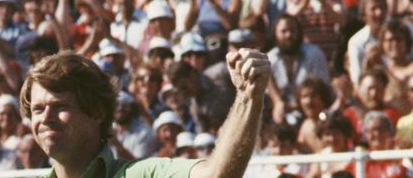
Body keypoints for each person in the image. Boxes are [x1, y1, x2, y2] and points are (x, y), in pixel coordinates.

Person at [20, 50, 271, 178]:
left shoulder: (142, 174)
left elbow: (217, 176)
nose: (45, 118)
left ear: (96, 113)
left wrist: (248, 97)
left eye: (61, 106)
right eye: (38, 109)